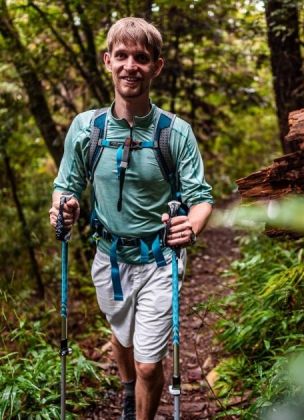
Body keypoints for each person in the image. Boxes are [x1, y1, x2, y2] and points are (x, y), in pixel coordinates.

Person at [49, 17, 213, 419]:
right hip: (109, 259)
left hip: (160, 260)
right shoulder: (86, 129)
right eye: (121, 56)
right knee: (121, 337)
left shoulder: (175, 133)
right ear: (108, 61)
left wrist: (190, 226)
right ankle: (128, 391)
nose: (130, 66)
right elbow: (65, 185)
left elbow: (201, 198)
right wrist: (64, 206)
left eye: (141, 57)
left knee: (148, 362)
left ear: (156, 66)